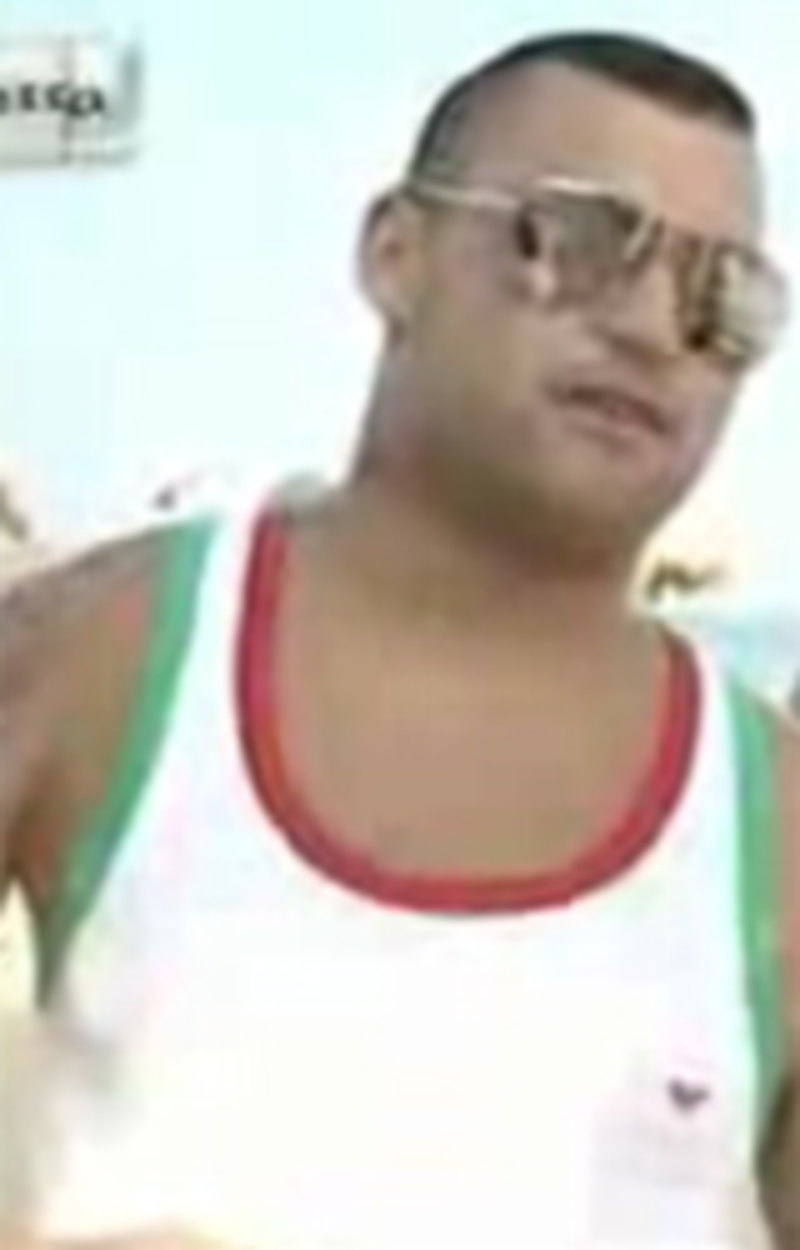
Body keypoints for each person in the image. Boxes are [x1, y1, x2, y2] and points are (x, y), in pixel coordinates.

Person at [1, 29, 799, 1250]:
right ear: (394, 254)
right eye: (574, 241)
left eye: (721, 299)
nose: (650, 328)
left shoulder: (772, 820)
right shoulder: (94, 656)